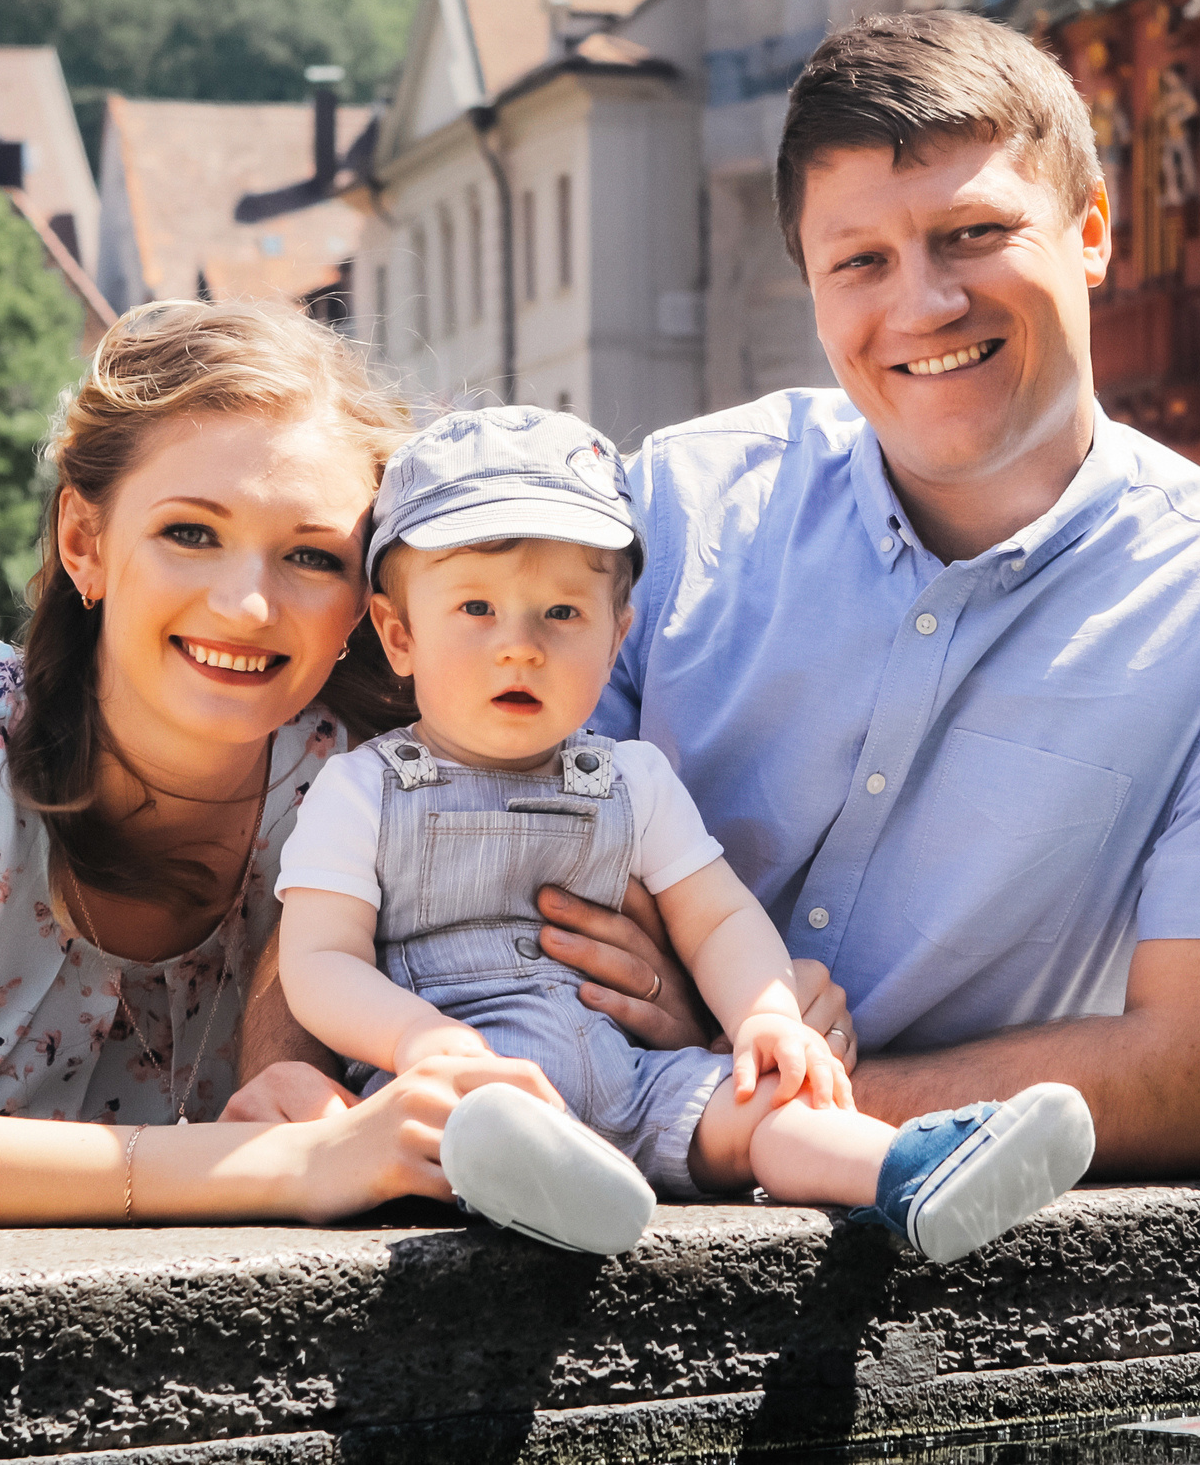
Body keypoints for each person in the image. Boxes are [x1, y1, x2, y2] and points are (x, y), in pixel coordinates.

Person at [0, 302, 761, 1250]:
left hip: (56, 1336)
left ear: (370, 606)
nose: (247, 604)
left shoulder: (353, 784)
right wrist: (280, 1161)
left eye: (310, 556)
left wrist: (658, 1004)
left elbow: (388, 1037)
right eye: (190, 533)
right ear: (85, 543)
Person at [546, 10, 1200, 1177]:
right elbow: (510, 849)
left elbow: (1199, 1078)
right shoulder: (680, 507)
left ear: (1091, 231)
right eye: (860, 263)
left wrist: (742, 1087)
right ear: (811, 285)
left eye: (973, 234)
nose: (923, 305)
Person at [278, 407, 1093, 1259]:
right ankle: (555, 1192)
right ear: (399, 633)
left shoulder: (631, 779)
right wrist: (416, 1038)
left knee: (769, 1108)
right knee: (467, 1143)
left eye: (561, 614)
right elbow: (320, 960)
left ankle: (913, 1170)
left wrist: (765, 1015)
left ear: (617, 634)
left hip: (631, 1080)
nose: (519, 648)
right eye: (476, 608)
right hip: (460, 1091)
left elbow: (716, 917)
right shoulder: (363, 788)